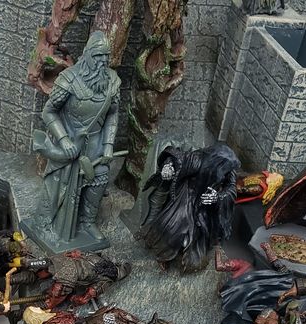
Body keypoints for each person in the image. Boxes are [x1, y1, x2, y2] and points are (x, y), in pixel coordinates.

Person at [35, 31, 120, 243]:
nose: (103, 61)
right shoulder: (69, 79)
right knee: (60, 185)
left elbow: (113, 114)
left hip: (96, 143)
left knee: (100, 177)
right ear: (88, 54)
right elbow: (49, 112)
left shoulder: (112, 81)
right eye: (98, 55)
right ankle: (50, 223)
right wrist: (64, 140)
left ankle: (87, 222)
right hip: (71, 142)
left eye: (106, 56)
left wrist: (108, 144)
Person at [138, 142, 240, 273]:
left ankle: (185, 253)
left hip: (203, 207)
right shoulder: (198, 160)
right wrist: (169, 166)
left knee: (196, 244)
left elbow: (231, 188)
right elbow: (179, 158)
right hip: (186, 198)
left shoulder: (228, 170)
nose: (228, 170)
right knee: (172, 230)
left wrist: (218, 197)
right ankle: (163, 255)